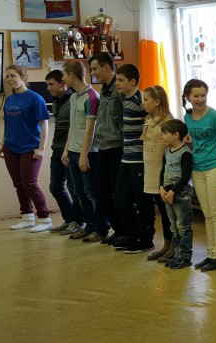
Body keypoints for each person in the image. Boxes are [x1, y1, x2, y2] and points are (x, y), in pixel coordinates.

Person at [183, 79, 216, 272]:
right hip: (198, 168)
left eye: (203, 95)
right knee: (207, 213)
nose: (200, 99)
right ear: (188, 97)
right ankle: (212, 254)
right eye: (196, 96)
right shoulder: (187, 117)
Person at [0, 64, 53, 232]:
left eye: (13, 76)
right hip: (11, 148)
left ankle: (45, 219)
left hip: (30, 148)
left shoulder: (35, 98)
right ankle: (27, 217)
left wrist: (42, 148)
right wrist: (4, 144)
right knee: (19, 184)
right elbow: (8, 124)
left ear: (23, 77)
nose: (9, 79)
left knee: (29, 184)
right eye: (7, 76)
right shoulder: (9, 100)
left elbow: (44, 124)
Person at [61, 60, 109, 242]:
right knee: (79, 192)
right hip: (73, 152)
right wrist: (66, 150)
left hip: (88, 154)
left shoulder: (92, 96)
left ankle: (100, 228)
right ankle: (89, 226)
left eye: (64, 75)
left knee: (92, 193)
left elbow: (90, 129)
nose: (63, 79)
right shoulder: (73, 97)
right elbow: (73, 127)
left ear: (71, 75)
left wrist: (83, 155)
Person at [111, 64, 154, 254]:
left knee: (142, 202)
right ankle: (130, 235)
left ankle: (145, 240)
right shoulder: (125, 99)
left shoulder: (141, 101)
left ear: (133, 81)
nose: (117, 84)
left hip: (139, 161)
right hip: (126, 159)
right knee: (121, 199)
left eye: (121, 80)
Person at [89, 52, 125, 245]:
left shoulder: (120, 89)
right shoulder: (104, 90)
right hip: (103, 146)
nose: (93, 73)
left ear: (106, 66)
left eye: (95, 69)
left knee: (118, 193)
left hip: (118, 146)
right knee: (100, 191)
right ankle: (118, 228)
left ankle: (126, 231)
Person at [44, 69, 84, 236]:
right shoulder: (55, 102)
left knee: (74, 188)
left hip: (70, 151)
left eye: (51, 84)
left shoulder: (73, 100)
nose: (48, 88)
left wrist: (67, 150)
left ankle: (78, 222)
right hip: (57, 149)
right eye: (47, 85)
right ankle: (69, 220)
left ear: (63, 84)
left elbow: (74, 127)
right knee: (55, 187)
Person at [141, 85, 175, 262]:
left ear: (157, 102)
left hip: (164, 173)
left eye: (146, 100)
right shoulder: (149, 120)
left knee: (169, 212)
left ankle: (174, 246)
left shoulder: (167, 122)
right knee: (162, 211)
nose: (143, 103)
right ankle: (166, 245)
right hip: (151, 172)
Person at [158, 119, 195, 270]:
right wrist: (161, 187)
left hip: (180, 194)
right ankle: (177, 254)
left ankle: (184, 257)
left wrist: (174, 191)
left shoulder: (185, 153)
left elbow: (185, 176)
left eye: (165, 133)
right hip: (168, 193)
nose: (162, 136)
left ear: (176, 135)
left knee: (183, 226)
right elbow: (163, 171)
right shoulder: (167, 151)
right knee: (173, 226)